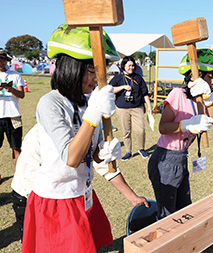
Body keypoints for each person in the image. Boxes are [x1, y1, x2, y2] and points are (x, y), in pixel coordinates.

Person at [21, 24, 148, 252]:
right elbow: (71, 157)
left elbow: (92, 157)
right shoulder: (50, 103)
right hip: (55, 200)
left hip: (82, 194)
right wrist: (94, 112)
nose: (99, 79)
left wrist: (104, 154)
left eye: (102, 71)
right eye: (92, 70)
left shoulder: (89, 103)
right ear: (71, 67)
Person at [148, 49, 213, 219]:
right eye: (210, 77)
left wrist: (209, 99)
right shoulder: (178, 94)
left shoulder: (201, 99)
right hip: (165, 159)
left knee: (185, 209)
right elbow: (163, 127)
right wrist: (186, 125)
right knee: (167, 215)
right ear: (195, 76)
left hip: (181, 158)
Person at [109, 56, 152, 161]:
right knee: (126, 131)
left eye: (133, 65)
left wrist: (149, 106)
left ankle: (141, 149)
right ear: (123, 66)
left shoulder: (138, 78)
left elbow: (145, 93)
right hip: (122, 109)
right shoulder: (118, 78)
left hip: (137, 107)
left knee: (140, 130)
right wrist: (123, 87)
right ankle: (128, 151)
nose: (131, 68)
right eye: (129, 65)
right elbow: (110, 89)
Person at [0, 49, 25, 177]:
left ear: (7, 61)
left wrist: (10, 89)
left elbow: (22, 94)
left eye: (3, 59)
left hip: (13, 115)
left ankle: (18, 175)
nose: (1, 62)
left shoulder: (15, 75)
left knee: (16, 147)